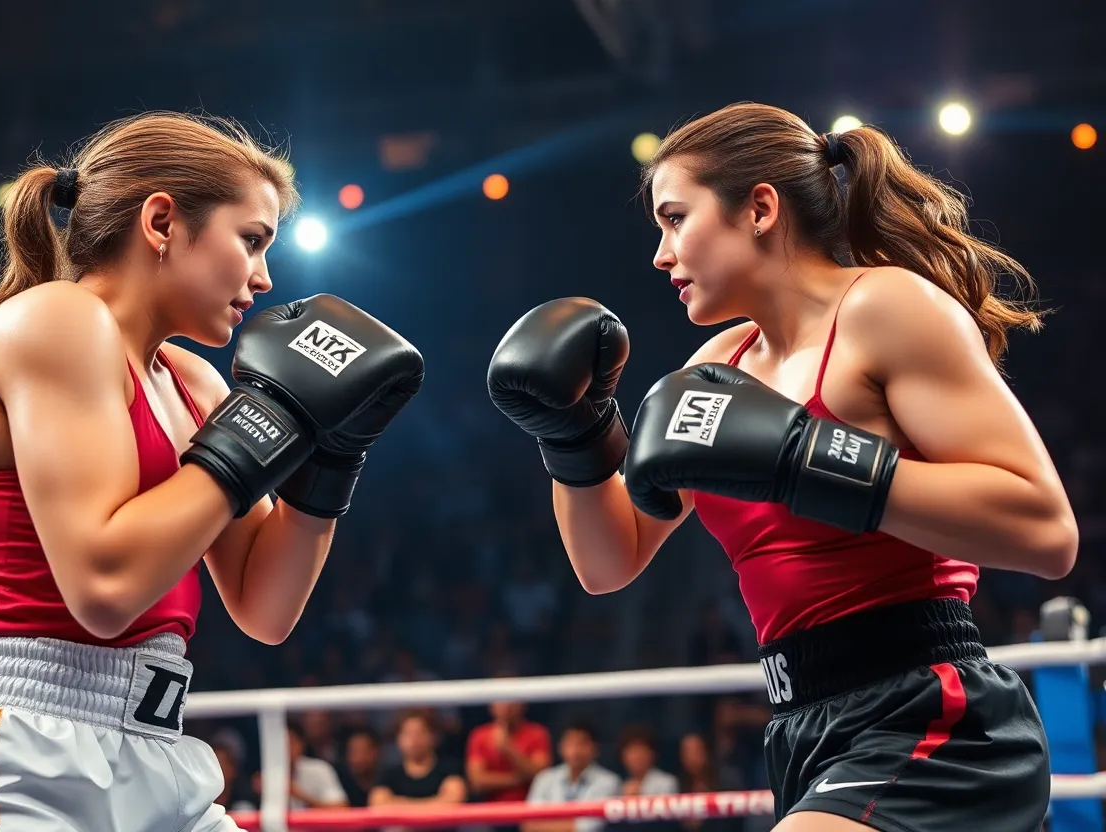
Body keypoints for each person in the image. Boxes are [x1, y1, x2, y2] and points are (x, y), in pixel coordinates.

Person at [488, 102, 1078, 831]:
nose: (661, 255)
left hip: (931, 714)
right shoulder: (717, 365)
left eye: (675, 219)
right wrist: (573, 436)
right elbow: (609, 562)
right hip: (802, 727)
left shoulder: (885, 308)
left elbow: (1046, 531)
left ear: (760, 209)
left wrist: (803, 456)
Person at [0, 112, 424, 832]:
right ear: (163, 222)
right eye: (251, 240)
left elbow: (266, 608)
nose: (264, 277)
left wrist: (331, 453)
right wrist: (264, 428)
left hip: (155, 751)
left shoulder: (194, 383)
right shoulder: (55, 320)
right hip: (23, 750)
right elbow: (105, 588)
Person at [522, 723, 621, 832]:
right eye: (570, 744)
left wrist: (548, 825)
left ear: (595, 748)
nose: (575, 751)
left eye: (582, 744)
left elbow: (589, 827)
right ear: (560, 748)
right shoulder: (544, 779)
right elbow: (529, 825)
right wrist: (570, 825)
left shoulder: (609, 782)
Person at [369, 712, 467, 807]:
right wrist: (434, 803)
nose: (415, 739)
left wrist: (398, 803)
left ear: (433, 736)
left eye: (420, 733)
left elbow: (454, 800)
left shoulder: (450, 769)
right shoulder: (389, 773)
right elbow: (378, 803)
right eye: (408, 734)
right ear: (398, 739)